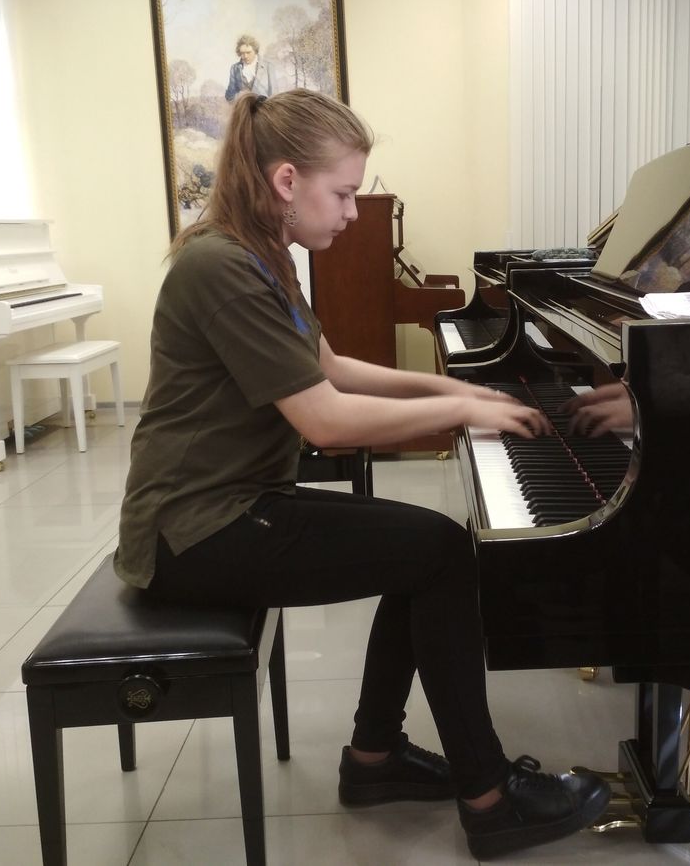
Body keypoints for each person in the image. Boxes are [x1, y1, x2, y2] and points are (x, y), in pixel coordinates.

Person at [114, 88, 610, 860]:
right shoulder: (221, 266)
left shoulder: (261, 253)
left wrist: (455, 389)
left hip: (233, 506)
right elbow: (326, 420)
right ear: (286, 181)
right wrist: (458, 411)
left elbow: (333, 367)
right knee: (438, 551)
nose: (352, 212)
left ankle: (376, 758)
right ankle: (487, 798)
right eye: (343, 192)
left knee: (428, 550)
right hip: (193, 532)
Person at [225, 34, 272, 101]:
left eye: (248, 52)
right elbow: (229, 96)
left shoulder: (268, 67)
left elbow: (275, 95)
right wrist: (240, 95)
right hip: (243, 107)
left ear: (255, 51)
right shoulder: (234, 68)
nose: (245, 56)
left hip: (264, 107)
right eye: (242, 53)